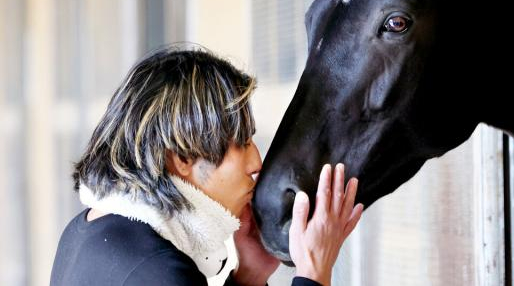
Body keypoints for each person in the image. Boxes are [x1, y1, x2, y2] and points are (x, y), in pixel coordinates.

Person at [50, 45, 363, 286]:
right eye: (241, 143)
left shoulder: (89, 233)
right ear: (183, 157)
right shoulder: (157, 272)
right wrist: (313, 270)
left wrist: (248, 277)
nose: (256, 162)